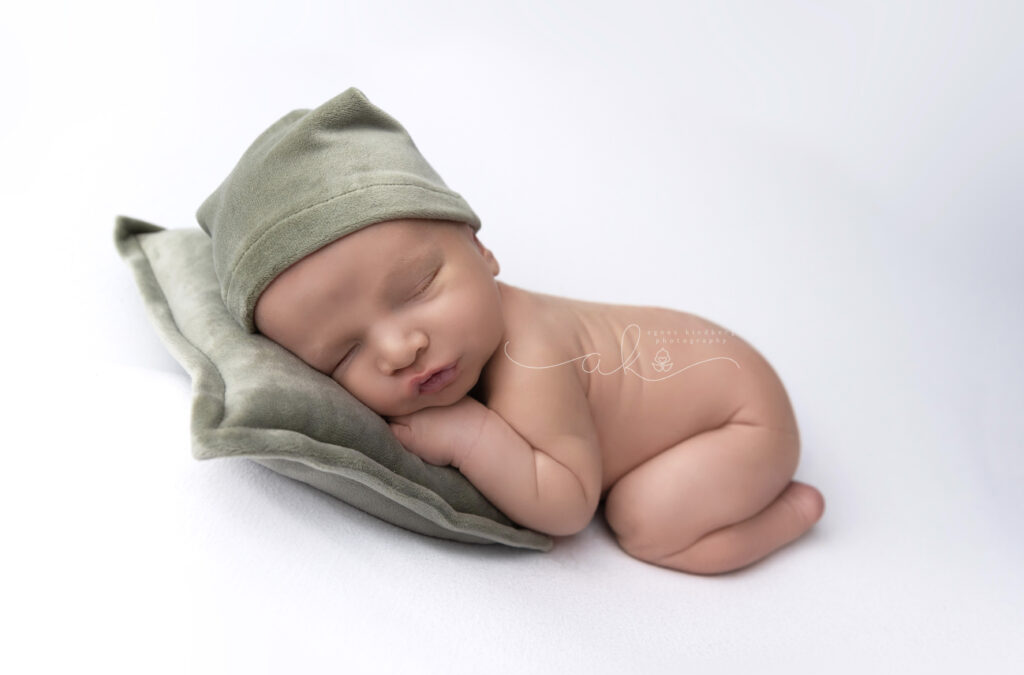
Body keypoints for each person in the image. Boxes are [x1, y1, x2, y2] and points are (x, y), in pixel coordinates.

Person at [198, 87, 825, 575]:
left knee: (644, 521)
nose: (399, 348)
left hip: (739, 420)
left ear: (483, 250)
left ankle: (790, 513)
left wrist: (470, 435)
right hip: (718, 373)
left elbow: (569, 504)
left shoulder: (531, 352)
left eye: (417, 288)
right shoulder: (460, 340)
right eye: (344, 354)